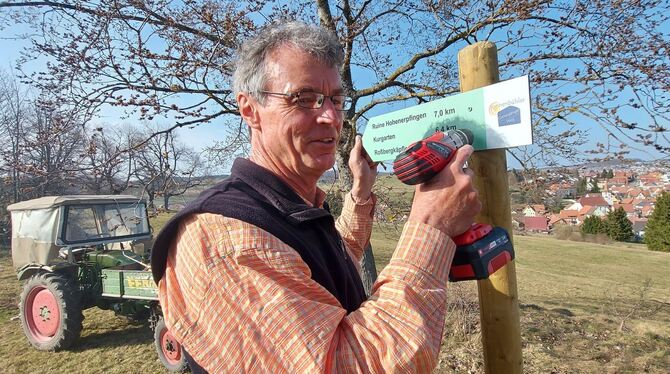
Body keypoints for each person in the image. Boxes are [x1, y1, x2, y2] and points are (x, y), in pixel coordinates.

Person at [151, 21, 481, 373]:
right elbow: (347, 365)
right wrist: (432, 226)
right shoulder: (223, 239)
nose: (330, 117)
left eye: (336, 99)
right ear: (249, 110)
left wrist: (360, 190)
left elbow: (332, 260)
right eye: (304, 99)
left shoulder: (289, 207)